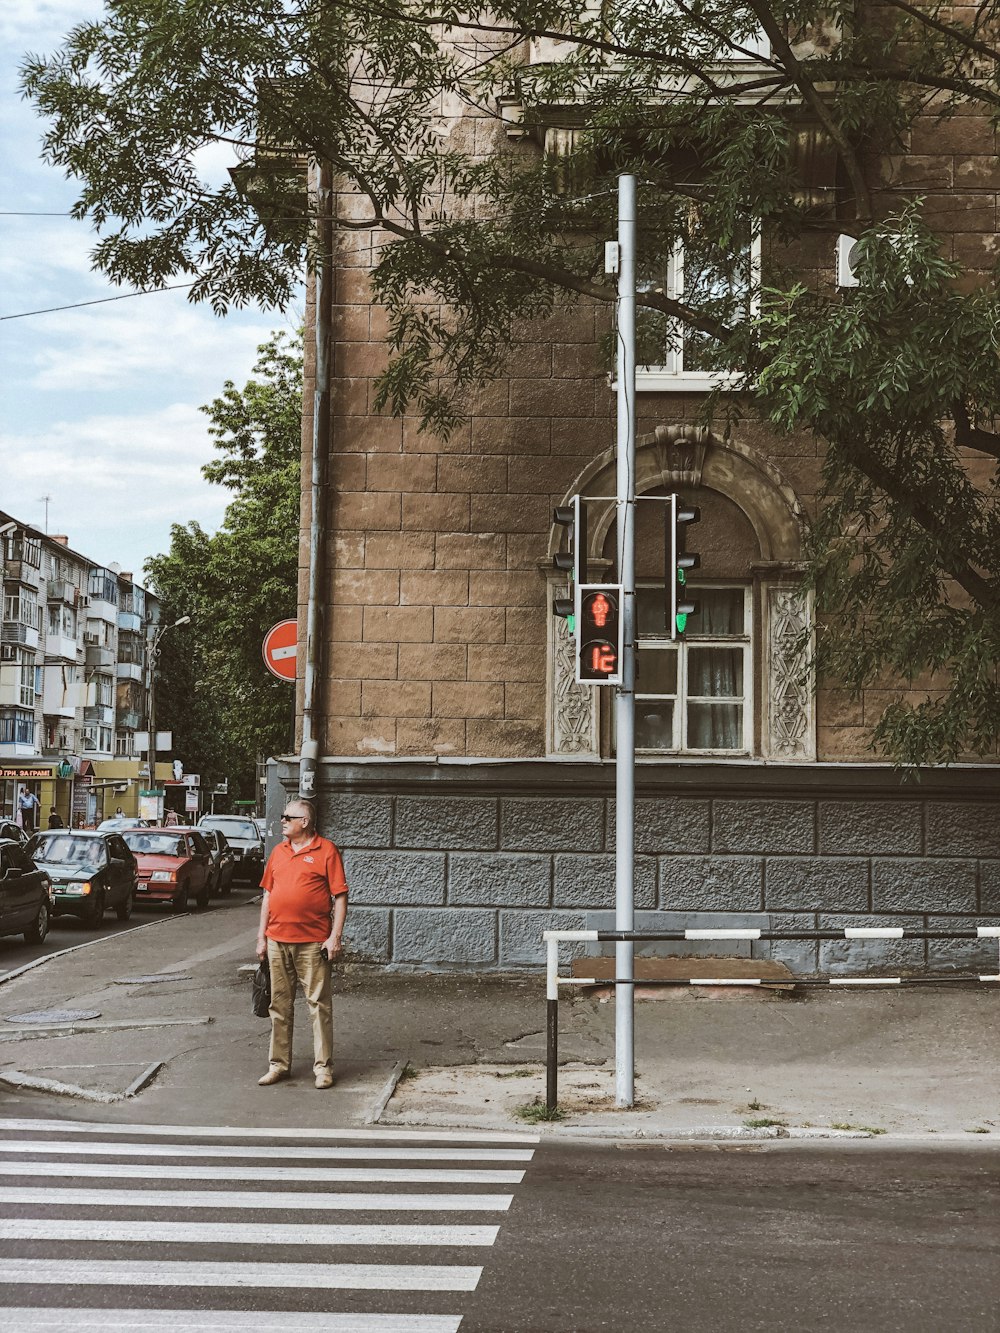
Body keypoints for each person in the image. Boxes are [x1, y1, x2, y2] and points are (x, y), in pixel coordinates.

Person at [255, 797, 348, 1090]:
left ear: (304, 822)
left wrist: (334, 936)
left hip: (312, 942)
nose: (282, 820)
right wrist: (261, 937)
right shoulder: (278, 852)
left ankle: (323, 1069)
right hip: (277, 940)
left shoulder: (326, 851)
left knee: (318, 1005)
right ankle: (278, 1065)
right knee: (278, 1005)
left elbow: (340, 896)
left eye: (288, 816)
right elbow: (268, 896)